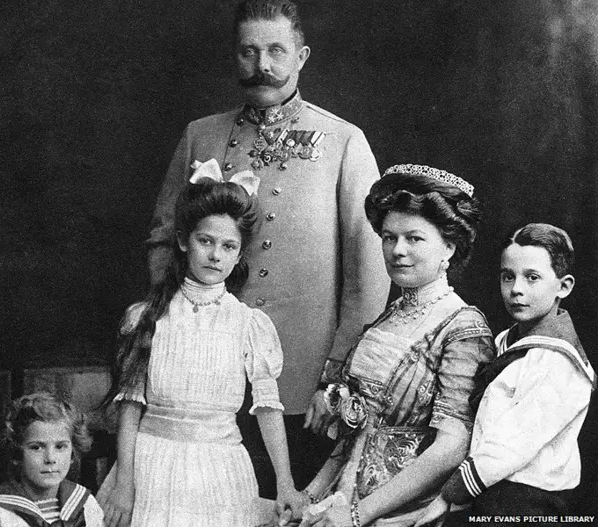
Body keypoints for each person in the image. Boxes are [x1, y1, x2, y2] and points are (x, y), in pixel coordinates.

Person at [146, 0, 389, 490]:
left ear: (301, 56)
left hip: (301, 376)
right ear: (235, 57)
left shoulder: (344, 140)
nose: (263, 65)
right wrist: (175, 319)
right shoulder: (201, 135)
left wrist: (337, 373)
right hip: (205, 371)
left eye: (276, 50)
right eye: (249, 52)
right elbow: (160, 238)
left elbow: (369, 274)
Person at [97, 160, 305, 527]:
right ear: (182, 240)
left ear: (240, 254)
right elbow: (130, 408)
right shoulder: (147, 317)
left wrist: (285, 483)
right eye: (205, 241)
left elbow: (268, 410)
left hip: (220, 472)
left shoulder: (248, 324)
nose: (215, 255)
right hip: (151, 467)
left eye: (228, 246)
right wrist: (125, 484)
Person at [294, 164, 496, 527]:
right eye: (389, 237)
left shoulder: (463, 327)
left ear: (448, 246)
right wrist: (308, 495)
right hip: (344, 497)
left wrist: (359, 516)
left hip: (402, 510)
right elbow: (358, 434)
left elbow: (451, 448)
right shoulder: (388, 317)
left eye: (414, 238)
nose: (397, 250)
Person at [415, 223, 596, 527]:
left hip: (529, 500)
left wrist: (450, 495)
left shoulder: (557, 360)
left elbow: (512, 444)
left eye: (532, 278)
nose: (516, 289)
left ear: (563, 287)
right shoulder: (506, 341)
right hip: (488, 487)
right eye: (508, 276)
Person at [0, 392, 105, 527]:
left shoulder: (86, 506)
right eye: (37, 447)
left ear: (72, 453)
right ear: (17, 453)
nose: (50, 458)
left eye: (60, 446)